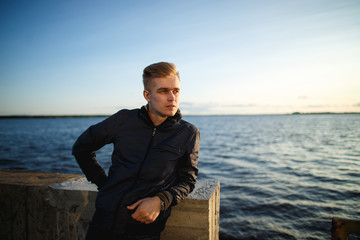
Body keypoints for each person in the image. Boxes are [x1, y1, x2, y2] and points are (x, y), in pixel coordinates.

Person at [72, 62, 200, 240]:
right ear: (147, 95)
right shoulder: (123, 120)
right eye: (163, 91)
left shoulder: (188, 133)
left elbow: (187, 180)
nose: (172, 98)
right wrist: (104, 184)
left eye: (176, 91)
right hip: (102, 224)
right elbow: (82, 147)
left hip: (144, 230)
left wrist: (161, 200)